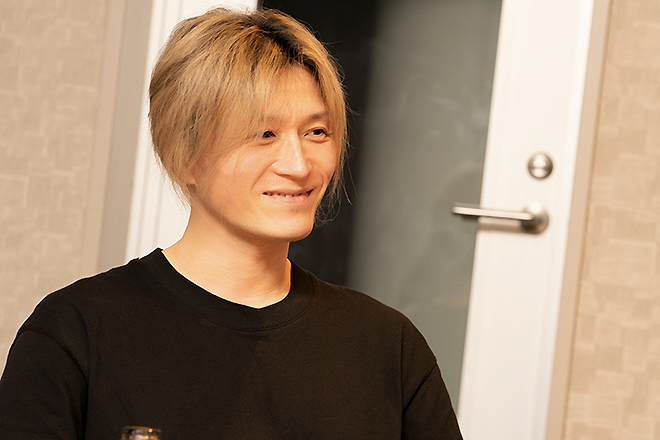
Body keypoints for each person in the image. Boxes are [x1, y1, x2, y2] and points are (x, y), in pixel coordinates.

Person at [0, 8, 462, 440]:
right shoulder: (75, 333)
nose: (299, 165)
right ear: (186, 155)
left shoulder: (386, 345)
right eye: (264, 134)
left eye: (316, 132)